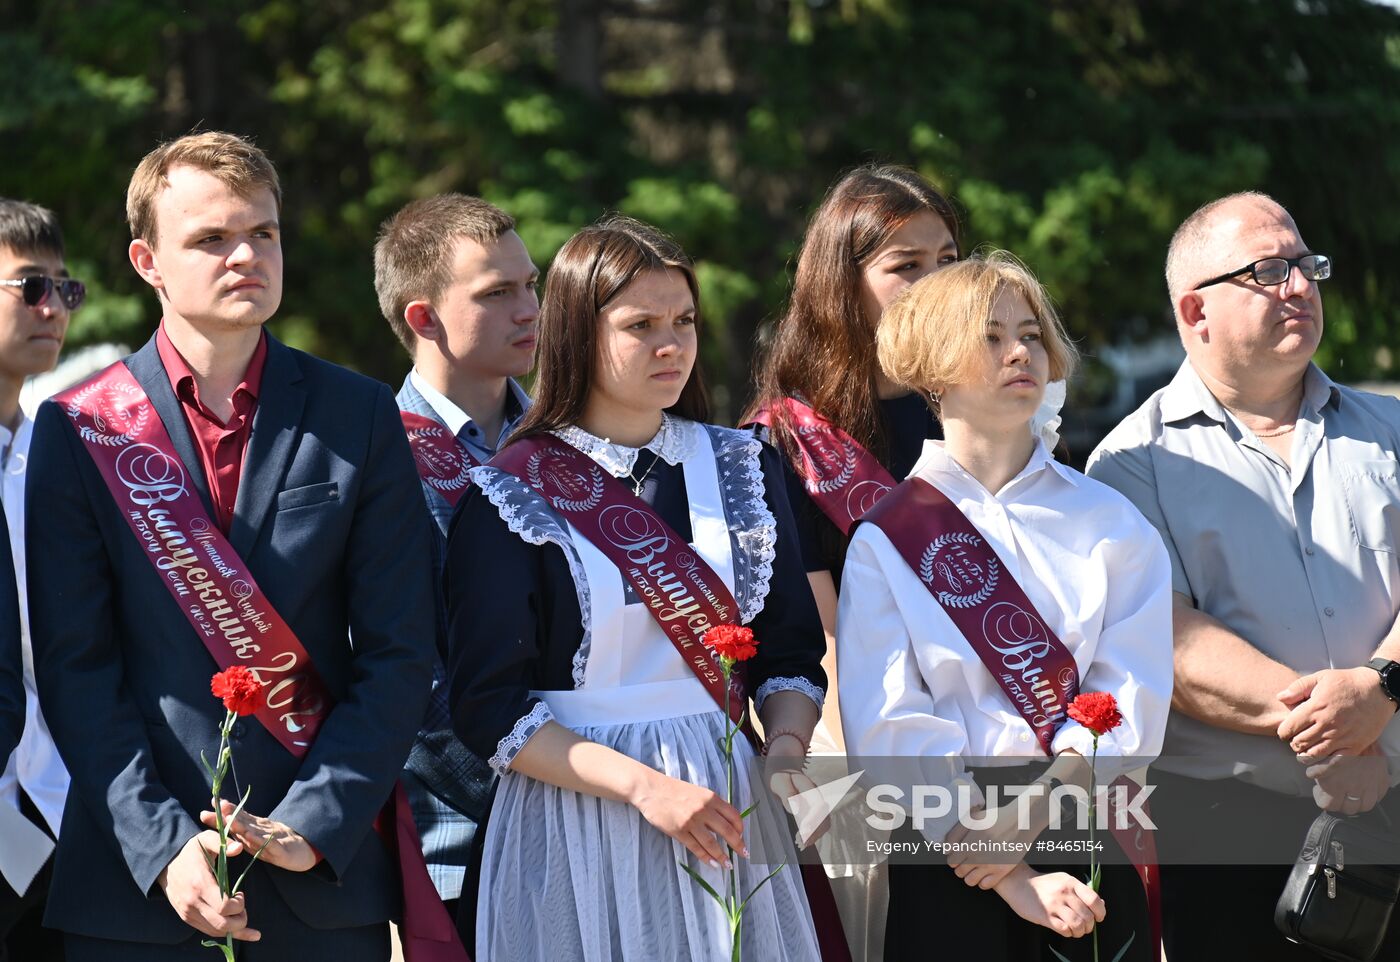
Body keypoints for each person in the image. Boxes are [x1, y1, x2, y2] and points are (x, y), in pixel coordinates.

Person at [26, 131, 440, 961]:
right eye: (211, 238)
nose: (245, 255)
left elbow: (399, 655)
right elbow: (77, 668)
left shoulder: (357, 415)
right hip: (136, 890)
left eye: (264, 233)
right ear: (147, 261)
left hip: (317, 884)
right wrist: (160, 846)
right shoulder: (79, 428)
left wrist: (315, 823)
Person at [446, 215, 829, 961]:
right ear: (575, 335)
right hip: (579, 814)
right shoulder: (509, 495)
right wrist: (647, 789)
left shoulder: (745, 467)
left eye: (684, 320)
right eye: (641, 324)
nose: (671, 343)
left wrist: (782, 749)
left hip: (730, 804)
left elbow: (788, 652)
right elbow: (489, 707)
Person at [1087, 191, 1400, 960]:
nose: (1298, 285)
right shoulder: (1131, 466)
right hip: (1233, 833)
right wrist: (1340, 736)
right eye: (1267, 271)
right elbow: (1167, 641)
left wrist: (1381, 690)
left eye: (1304, 266)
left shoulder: (1392, 429)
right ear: (1195, 312)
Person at [837, 252, 1172, 961]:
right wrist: (1011, 872)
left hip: (1082, 827)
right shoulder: (888, 537)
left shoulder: (1111, 521)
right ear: (930, 363)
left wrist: (1036, 813)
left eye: (1030, 333)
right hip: (945, 847)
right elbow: (889, 726)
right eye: (990, 336)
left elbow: (1131, 692)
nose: (1020, 351)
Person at [372, 192, 538, 942]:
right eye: (497, 293)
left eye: (530, 285)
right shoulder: (373, 456)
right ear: (423, 317)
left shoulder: (576, 442)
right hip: (464, 838)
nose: (528, 308)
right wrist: (533, 783)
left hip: (610, 812)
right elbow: (405, 672)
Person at [0, 198, 79, 962]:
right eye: (29, 286)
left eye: (65, 288)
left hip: (62, 811)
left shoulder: (67, 458)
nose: (52, 307)